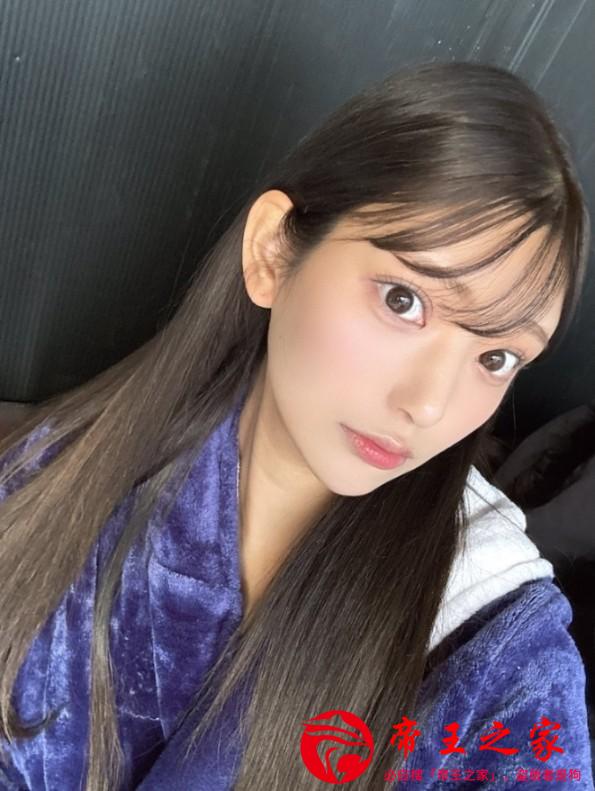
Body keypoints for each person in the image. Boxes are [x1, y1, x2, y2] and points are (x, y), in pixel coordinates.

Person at [0, 61, 592, 790]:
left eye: (496, 357)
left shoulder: (498, 657)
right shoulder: (56, 469)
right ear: (273, 251)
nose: (429, 405)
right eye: (403, 300)